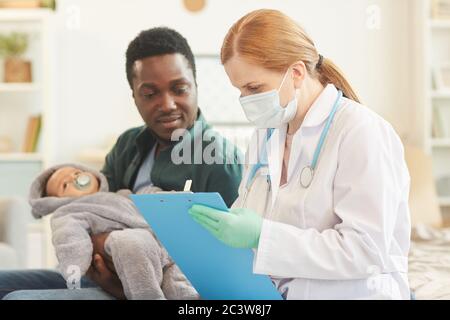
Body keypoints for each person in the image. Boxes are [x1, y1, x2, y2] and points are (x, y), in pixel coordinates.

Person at [1, 27, 242, 300]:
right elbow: (92, 209)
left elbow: (229, 274)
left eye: (179, 89)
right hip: (102, 275)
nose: (168, 104)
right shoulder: (128, 144)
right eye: (150, 94)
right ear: (135, 97)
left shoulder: (221, 161)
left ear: (196, 85)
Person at [189, 9, 411, 300]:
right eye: (240, 90)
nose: (246, 100)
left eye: (254, 87)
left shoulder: (360, 131)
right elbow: (247, 226)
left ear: (295, 73)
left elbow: (365, 251)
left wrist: (262, 236)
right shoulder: (265, 136)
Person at [28, 163, 199, 300]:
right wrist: (75, 266)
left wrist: (174, 197)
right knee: (128, 242)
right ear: (55, 201)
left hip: (163, 243)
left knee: (178, 283)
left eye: (76, 173)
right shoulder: (70, 210)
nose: (75, 179)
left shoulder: (121, 194)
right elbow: (68, 237)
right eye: (65, 185)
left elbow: (146, 197)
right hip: (126, 246)